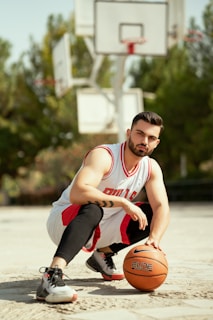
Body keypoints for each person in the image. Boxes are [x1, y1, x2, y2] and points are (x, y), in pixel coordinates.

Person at [36, 111, 170, 304]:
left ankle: (102, 255)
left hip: (103, 226)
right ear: (128, 133)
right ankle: (51, 276)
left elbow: (162, 207)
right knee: (93, 207)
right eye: (139, 133)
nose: (144, 141)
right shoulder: (105, 155)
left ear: (157, 143)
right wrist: (123, 202)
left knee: (148, 214)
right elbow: (78, 193)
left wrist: (154, 240)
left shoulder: (151, 167)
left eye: (151, 137)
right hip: (65, 221)